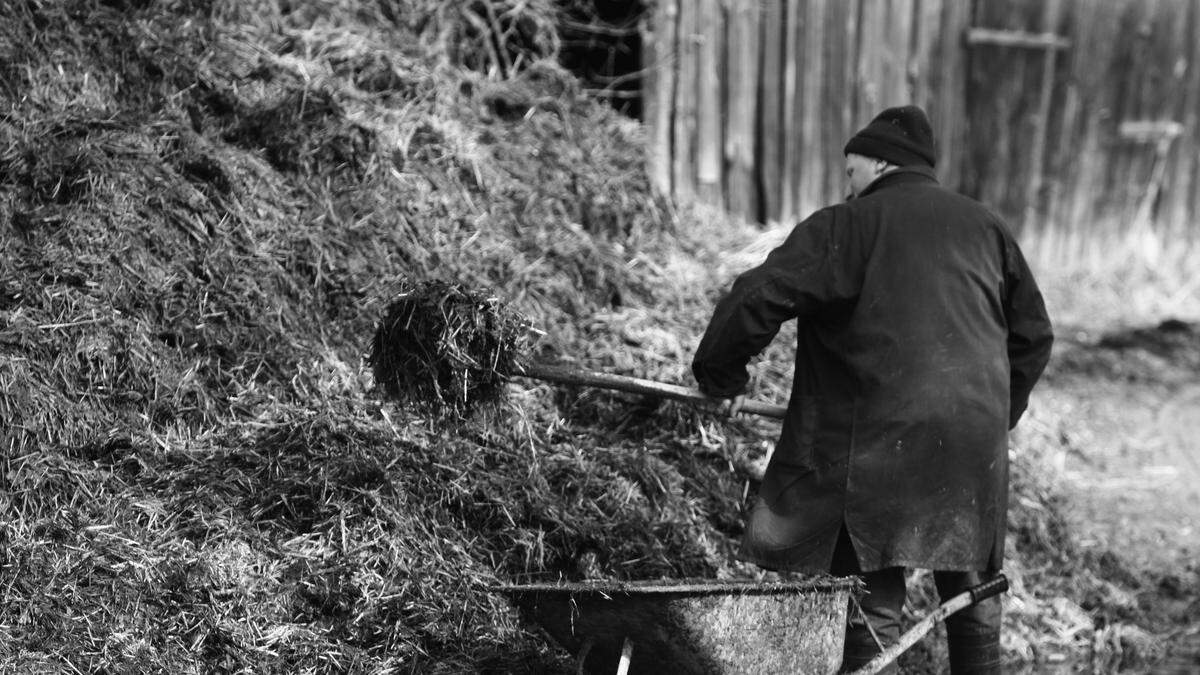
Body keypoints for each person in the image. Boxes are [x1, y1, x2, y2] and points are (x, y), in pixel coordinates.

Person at [692, 105, 1053, 674]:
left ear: (881, 163)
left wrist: (721, 377)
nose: (847, 185)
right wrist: (994, 416)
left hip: (878, 453)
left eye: (851, 171)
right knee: (974, 601)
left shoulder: (848, 227)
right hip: (970, 455)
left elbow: (755, 297)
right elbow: (1034, 335)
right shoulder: (986, 228)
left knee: (872, 594)